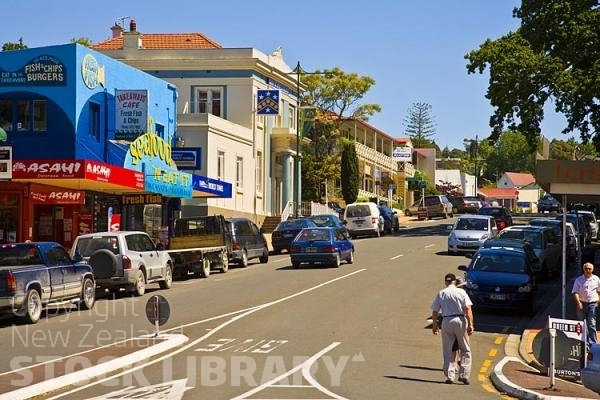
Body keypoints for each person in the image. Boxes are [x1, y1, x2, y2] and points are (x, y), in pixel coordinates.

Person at [431, 273, 474, 384]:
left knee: (448, 349)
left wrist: (435, 325)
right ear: (455, 281)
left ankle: (450, 376)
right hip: (460, 319)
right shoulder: (461, 292)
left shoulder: (442, 293)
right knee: (465, 349)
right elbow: (468, 309)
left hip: (446, 320)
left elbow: (435, 311)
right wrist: (470, 325)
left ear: (446, 282)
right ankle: (464, 374)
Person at [571, 262, 600, 345]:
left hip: (592, 304)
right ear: (583, 269)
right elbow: (575, 292)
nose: (587, 270)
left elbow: (599, 291)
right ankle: (584, 342)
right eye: (586, 269)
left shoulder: (596, 279)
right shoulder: (579, 280)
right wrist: (578, 303)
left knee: (592, 324)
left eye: (589, 269)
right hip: (582, 304)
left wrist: (598, 300)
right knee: (582, 324)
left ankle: (593, 343)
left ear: (592, 270)